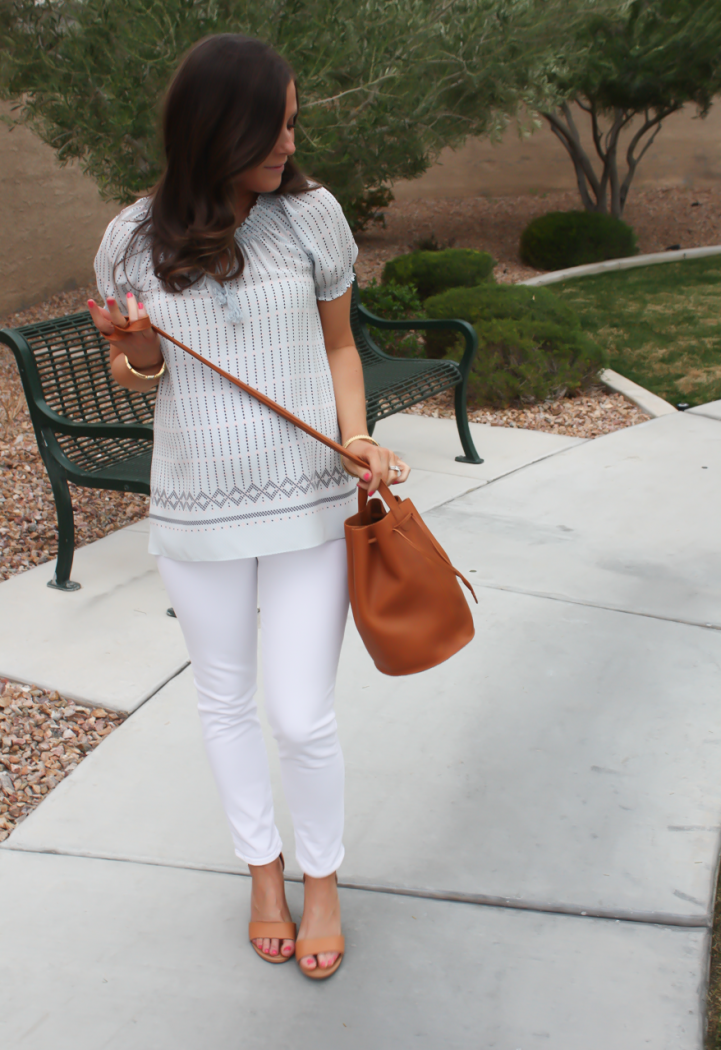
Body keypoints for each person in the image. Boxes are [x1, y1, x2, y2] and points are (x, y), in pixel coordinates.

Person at [88, 34, 409, 979]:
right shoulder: (130, 240)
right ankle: (263, 874)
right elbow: (137, 377)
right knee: (225, 700)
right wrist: (139, 347)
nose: (288, 141)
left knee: (301, 716)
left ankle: (323, 882)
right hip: (197, 513)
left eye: (292, 122)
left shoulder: (310, 216)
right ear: (213, 127)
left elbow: (342, 348)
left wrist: (356, 436)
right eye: (273, 125)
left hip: (311, 504)